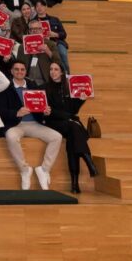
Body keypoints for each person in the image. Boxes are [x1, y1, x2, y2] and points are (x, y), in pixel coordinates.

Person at [0, 60, 63, 190]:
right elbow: (0, 110)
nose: (19, 72)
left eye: (22, 69)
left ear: (26, 72)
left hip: (34, 123)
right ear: (11, 71)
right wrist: (16, 113)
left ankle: (44, 169)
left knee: (57, 137)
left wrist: (45, 111)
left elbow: (41, 105)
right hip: (16, 124)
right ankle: (25, 170)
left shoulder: (33, 85)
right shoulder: (5, 86)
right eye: (16, 69)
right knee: (10, 136)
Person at [42, 62, 96, 193]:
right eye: (51, 69)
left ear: (62, 72)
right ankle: (88, 161)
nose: (53, 72)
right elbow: (50, 111)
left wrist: (81, 99)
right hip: (53, 123)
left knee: (73, 143)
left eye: (56, 69)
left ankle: (75, 185)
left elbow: (74, 109)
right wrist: (68, 117)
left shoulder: (69, 87)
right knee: (74, 128)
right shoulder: (44, 88)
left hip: (69, 124)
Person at [35, 0, 70, 72]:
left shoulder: (55, 19)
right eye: (37, 6)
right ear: (35, 8)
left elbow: (64, 34)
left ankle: (66, 76)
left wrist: (55, 34)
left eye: (42, 5)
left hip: (57, 42)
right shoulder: (33, 21)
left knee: (62, 54)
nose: (39, 7)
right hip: (42, 44)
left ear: (46, 7)